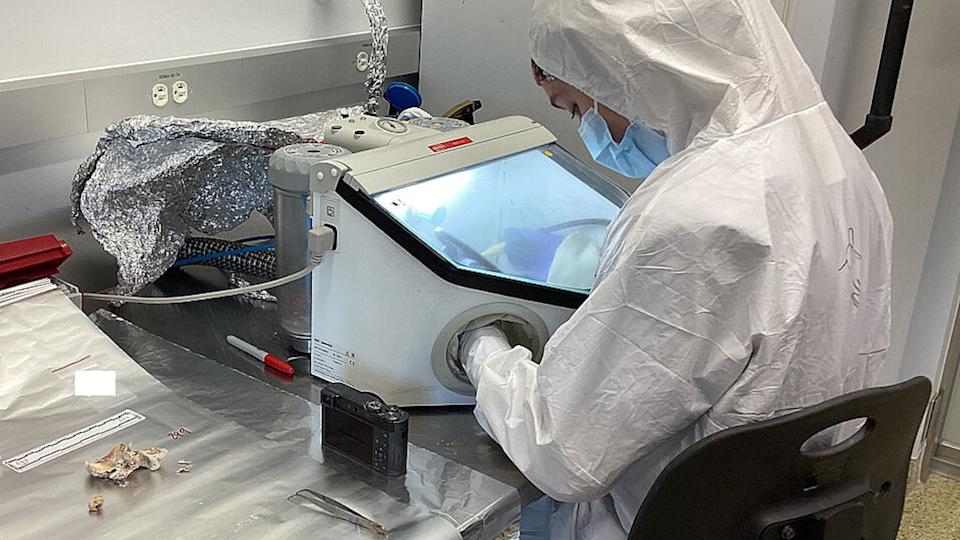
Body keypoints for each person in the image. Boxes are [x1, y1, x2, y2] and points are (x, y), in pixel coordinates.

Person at [458, 0, 894, 538]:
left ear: (623, 71)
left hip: (676, 522)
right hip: (791, 510)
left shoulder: (697, 214)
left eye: (576, 108)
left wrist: (481, 350)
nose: (593, 133)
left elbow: (562, 452)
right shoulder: (838, 163)